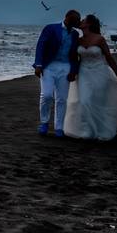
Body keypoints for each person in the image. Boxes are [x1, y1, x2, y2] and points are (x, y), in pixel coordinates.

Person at [32, 9, 81, 137]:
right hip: (49, 66)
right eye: (76, 20)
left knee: (62, 99)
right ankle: (44, 122)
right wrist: (38, 64)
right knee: (47, 95)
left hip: (65, 67)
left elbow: (75, 55)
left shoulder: (75, 34)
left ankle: (59, 127)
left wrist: (73, 70)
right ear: (68, 18)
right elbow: (41, 45)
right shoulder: (51, 28)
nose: (78, 22)